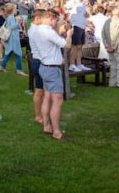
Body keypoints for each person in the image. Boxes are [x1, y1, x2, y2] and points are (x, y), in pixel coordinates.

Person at [35, 10, 69, 141]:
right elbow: (66, 44)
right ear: (50, 18)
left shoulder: (37, 30)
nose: (56, 22)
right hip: (51, 69)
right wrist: (69, 34)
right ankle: (56, 131)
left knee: (47, 97)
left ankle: (47, 125)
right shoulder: (48, 31)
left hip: (44, 66)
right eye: (55, 19)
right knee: (57, 100)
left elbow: (50, 46)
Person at [27, 9, 46, 124]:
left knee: (43, 90)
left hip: (39, 60)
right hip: (38, 60)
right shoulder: (35, 31)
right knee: (39, 90)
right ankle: (38, 116)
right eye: (43, 18)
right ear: (37, 18)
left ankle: (42, 114)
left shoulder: (36, 29)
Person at [65, 0, 90, 72]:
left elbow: (84, 14)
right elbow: (66, 9)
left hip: (82, 26)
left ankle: (79, 64)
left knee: (80, 46)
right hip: (75, 25)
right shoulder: (73, 1)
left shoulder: (82, 3)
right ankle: (72, 64)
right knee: (75, 46)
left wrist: (86, 14)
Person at [104, 7, 119, 89]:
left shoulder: (107, 21)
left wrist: (107, 45)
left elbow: (102, 34)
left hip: (110, 47)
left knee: (113, 66)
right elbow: (117, 35)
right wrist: (112, 46)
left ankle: (112, 82)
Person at [0, 4, 27, 76]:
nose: (16, 10)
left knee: (8, 53)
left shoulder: (10, 17)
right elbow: (12, 27)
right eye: (15, 9)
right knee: (18, 54)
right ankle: (19, 70)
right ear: (12, 10)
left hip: (11, 38)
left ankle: (2, 67)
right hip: (13, 39)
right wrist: (19, 23)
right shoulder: (11, 17)